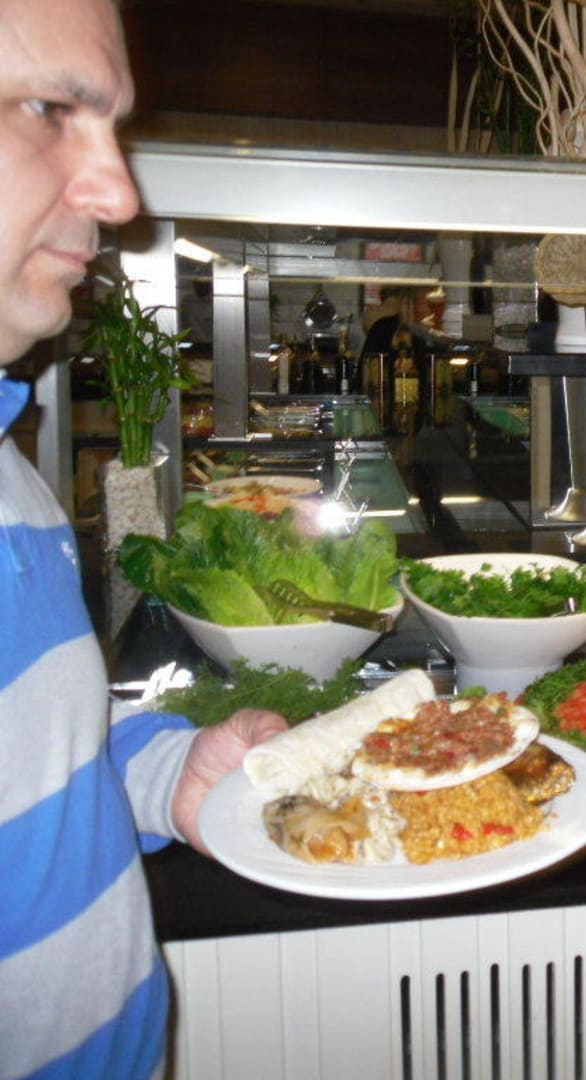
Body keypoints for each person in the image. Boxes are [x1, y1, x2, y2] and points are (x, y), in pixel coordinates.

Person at [0, 1, 288, 1077]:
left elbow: (33, 757)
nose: (120, 195)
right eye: (48, 108)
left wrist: (167, 773)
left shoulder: (14, 481)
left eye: (111, 125)